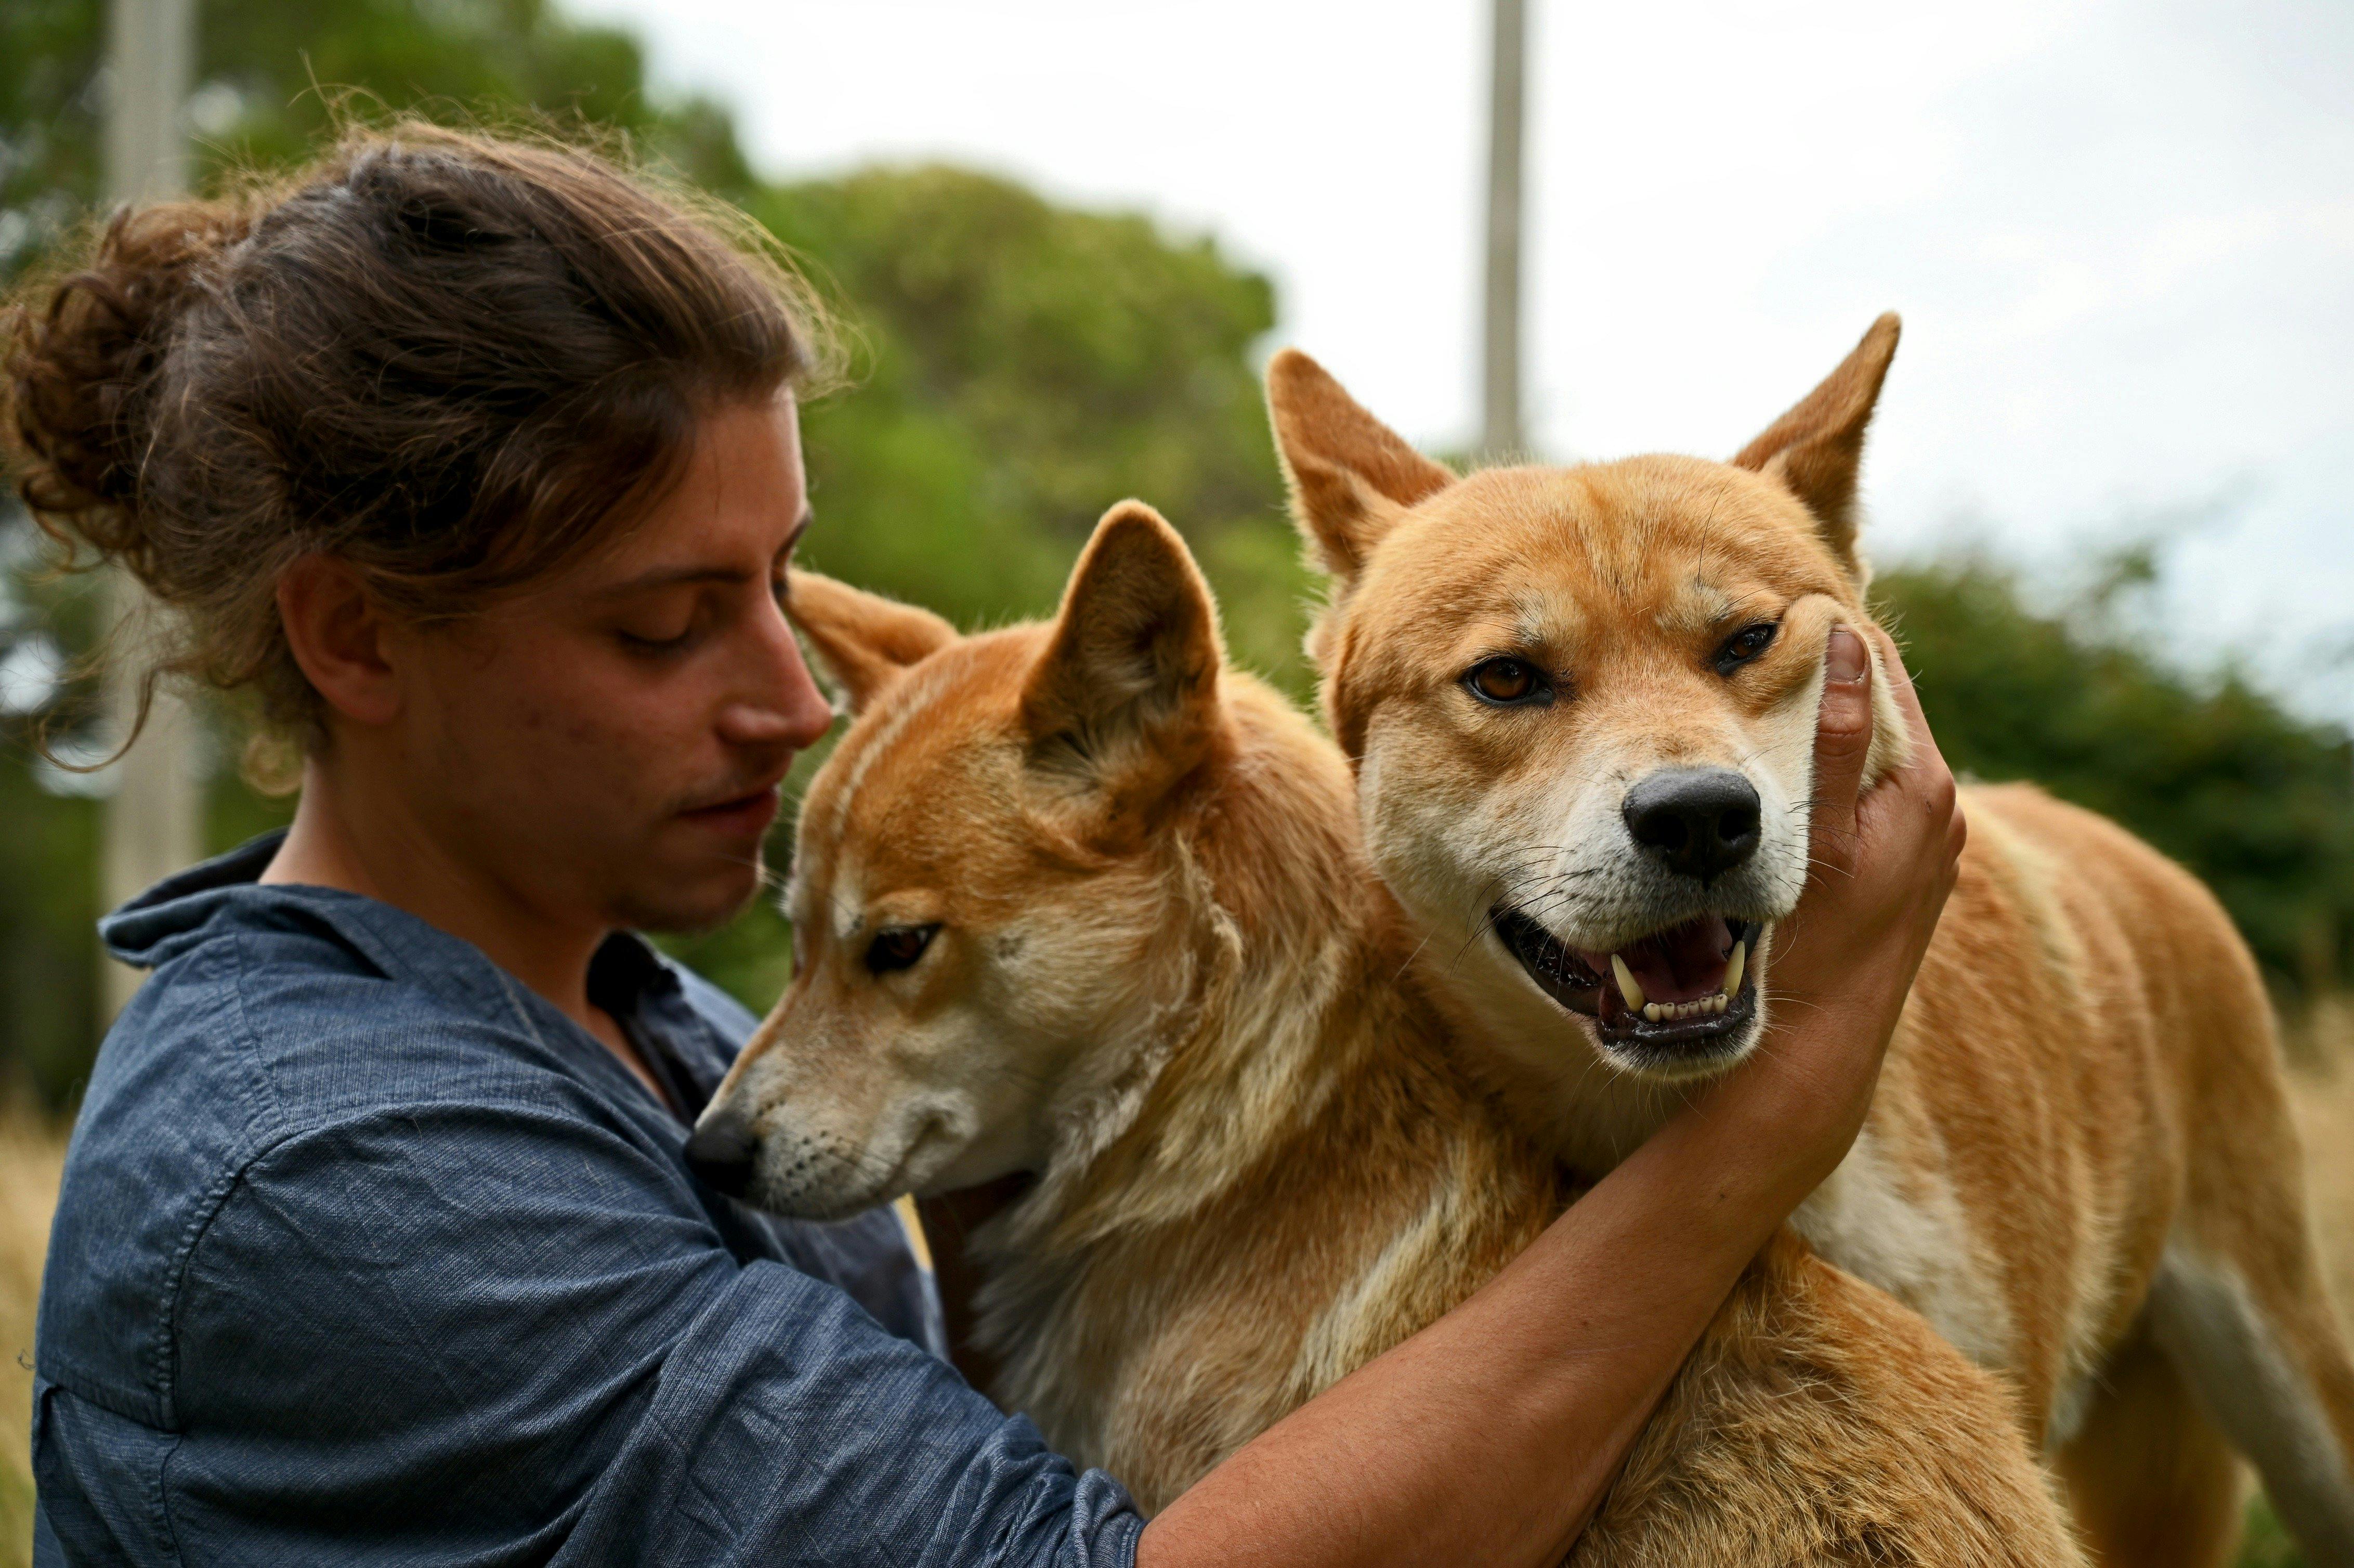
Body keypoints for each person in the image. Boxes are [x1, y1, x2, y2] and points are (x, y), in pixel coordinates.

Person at [6, 124, 1967, 1567]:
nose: (794, 702)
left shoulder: (639, 1015)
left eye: (781, 581)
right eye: (664, 626)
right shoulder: (334, 1175)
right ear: (358, 635)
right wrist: (1771, 1112)